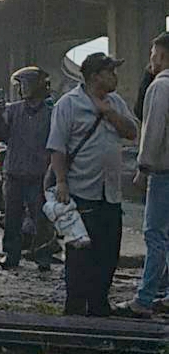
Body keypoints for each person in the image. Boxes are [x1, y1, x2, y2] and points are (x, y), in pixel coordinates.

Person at [47, 52, 137, 316]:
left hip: (110, 194)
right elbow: (57, 148)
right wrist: (61, 182)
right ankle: (75, 309)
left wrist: (109, 113)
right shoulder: (68, 104)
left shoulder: (116, 102)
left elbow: (131, 132)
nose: (115, 77)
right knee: (79, 256)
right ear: (96, 76)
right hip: (81, 192)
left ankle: (99, 305)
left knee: (108, 253)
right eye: (111, 72)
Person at [116, 33, 169, 318]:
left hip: (163, 172)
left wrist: (143, 167)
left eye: (153, 55)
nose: (150, 61)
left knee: (154, 235)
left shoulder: (160, 87)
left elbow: (152, 131)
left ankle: (144, 299)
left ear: (161, 57)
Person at [0, 66, 54, 271]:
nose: (20, 90)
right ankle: (11, 255)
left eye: (23, 85)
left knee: (41, 218)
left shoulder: (50, 113)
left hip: (39, 174)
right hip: (14, 172)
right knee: (12, 217)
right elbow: (2, 137)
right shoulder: (13, 110)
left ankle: (43, 256)